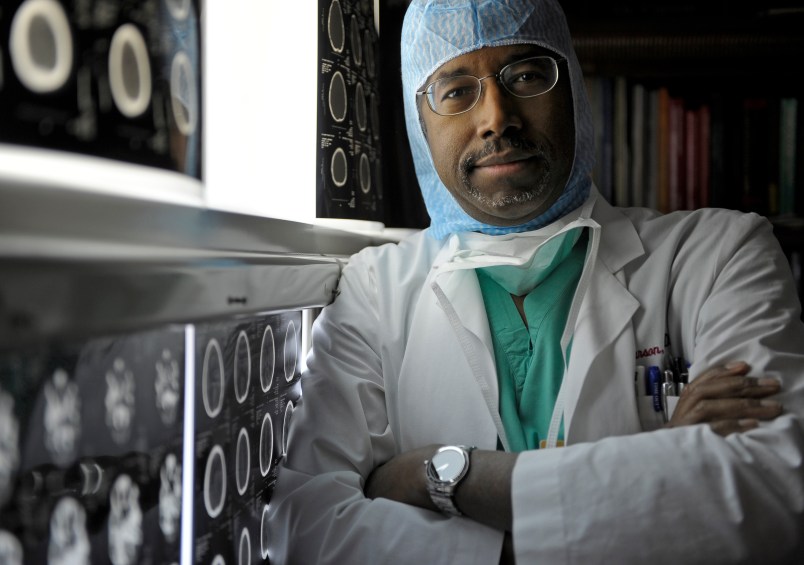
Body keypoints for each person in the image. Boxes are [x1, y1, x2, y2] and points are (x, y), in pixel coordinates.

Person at [267, 1, 804, 563]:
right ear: (419, 121)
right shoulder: (375, 290)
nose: (496, 117)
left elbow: (772, 492)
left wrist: (439, 476)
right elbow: (308, 531)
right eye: (455, 90)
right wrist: (663, 464)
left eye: (525, 76)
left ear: (570, 87)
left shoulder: (717, 253)